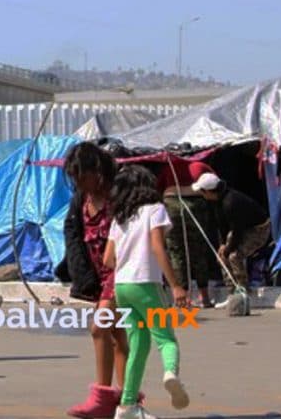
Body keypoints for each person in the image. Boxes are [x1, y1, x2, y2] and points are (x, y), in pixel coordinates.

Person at [104, 165, 190, 419]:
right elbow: (157, 247)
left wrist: (128, 258)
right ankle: (171, 374)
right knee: (166, 339)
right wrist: (176, 285)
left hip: (122, 287)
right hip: (146, 284)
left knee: (138, 347)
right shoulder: (155, 210)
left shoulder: (119, 219)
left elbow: (108, 259)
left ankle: (127, 406)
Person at [61, 142, 133, 419]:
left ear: (97, 170)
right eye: (74, 178)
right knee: (116, 335)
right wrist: (82, 274)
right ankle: (127, 399)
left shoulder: (120, 193)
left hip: (121, 270)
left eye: (81, 176)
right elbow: (73, 233)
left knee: (98, 328)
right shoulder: (81, 199)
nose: (78, 182)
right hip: (97, 275)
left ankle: (102, 399)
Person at [193, 172, 271, 293]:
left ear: (209, 191)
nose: (201, 194)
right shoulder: (217, 200)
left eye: (202, 191)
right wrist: (223, 244)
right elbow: (223, 226)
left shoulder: (231, 202)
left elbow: (237, 232)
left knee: (234, 256)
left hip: (259, 229)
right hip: (241, 228)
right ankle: (231, 291)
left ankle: (243, 290)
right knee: (222, 256)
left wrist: (228, 249)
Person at [156, 158, 218, 307]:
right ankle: (205, 297)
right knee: (199, 249)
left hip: (172, 203)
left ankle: (183, 299)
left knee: (176, 251)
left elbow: (159, 188)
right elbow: (215, 183)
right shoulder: (201, 166)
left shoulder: (169, 166)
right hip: (196, 203)